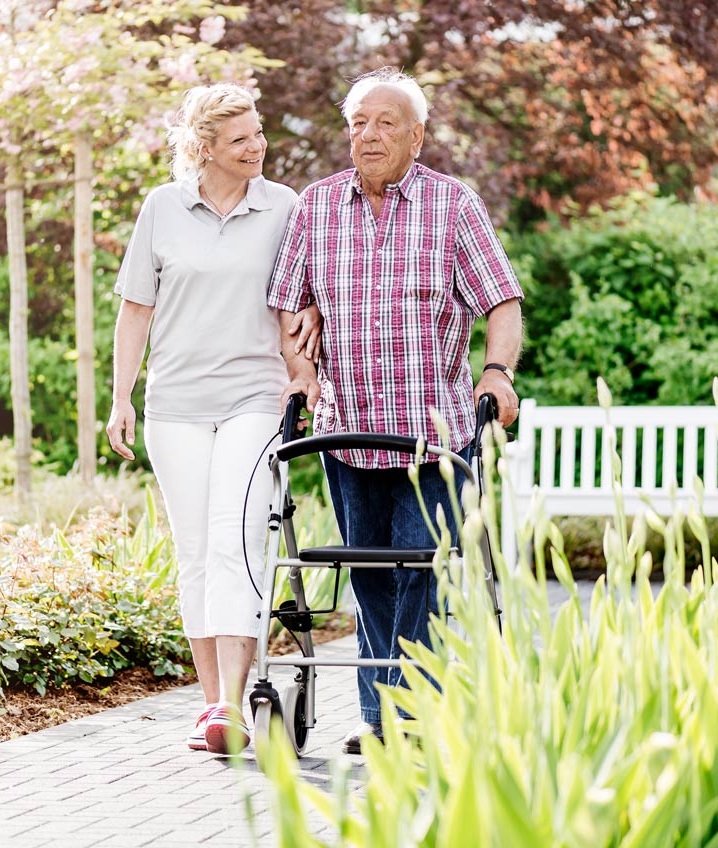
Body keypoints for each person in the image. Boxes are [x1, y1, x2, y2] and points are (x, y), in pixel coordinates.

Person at [267, 68, 525, 755]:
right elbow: (286, 303)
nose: (369, 135)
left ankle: (411, 715)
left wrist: (496, 372)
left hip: (432, 434)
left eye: (385, 123)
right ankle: (383, 719)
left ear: (417, 135)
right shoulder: (316, 207)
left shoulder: (454, 206)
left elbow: (501, 301)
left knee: (425, 569)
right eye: (358, 123)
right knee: (372, 576)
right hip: (347, 432)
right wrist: (301, 371)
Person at [108, 84, 319, 756]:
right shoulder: (162, 208)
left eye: (258, 134)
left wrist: (306, 370)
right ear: (204, 149)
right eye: (241, 140)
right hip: (174, 405)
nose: (257, 146)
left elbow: (299, 307)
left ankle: (233, 702)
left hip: (255, 397)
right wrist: (122, 400)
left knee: (236, 542)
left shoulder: (283, 207)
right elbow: (136, 309)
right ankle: (211, 708)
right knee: (196, 551)